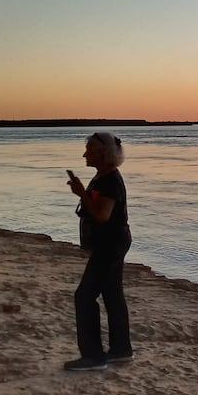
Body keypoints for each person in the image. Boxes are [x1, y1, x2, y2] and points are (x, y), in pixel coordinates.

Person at [64, 132, 133, 371]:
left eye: (90, 150)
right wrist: (82, 193)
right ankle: (121, 350)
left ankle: (93, 356)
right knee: (112, 294)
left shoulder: (110, 180)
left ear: (103, 153)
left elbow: (102, 215)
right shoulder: (103, 177)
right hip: (111, 242)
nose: (85, 154)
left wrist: (81, 193)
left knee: (84, 296)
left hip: (111, 244)